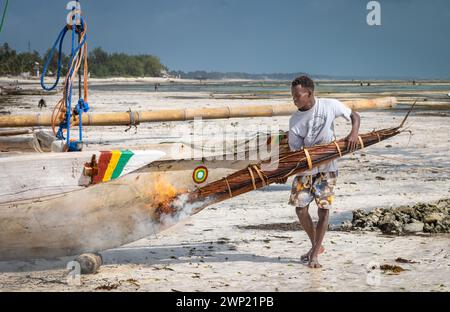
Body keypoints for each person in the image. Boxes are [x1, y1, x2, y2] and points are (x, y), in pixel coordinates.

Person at [288, 75, 360, 268]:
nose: (294, 99)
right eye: (292, 96)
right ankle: (316, 246)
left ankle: (314, 256)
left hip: (328, 170)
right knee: (300, 209)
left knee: (323, 210)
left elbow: (354, 115)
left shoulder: (329, 105)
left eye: (297, 95)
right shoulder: (294, 120)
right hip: (306, 170)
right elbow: (295, 151)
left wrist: (353, 133)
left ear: (309, 93)